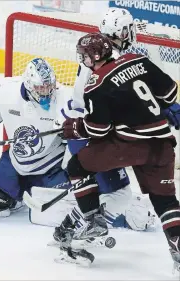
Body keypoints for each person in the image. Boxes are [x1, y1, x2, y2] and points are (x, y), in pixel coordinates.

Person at [60, 32, 180, 268]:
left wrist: (76, 127)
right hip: (163, 145)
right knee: (165, 200)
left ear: (95, 56)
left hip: (129, 146)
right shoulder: (138, 59)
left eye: (85, 56)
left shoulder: (96, 83)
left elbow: (99, 129)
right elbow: (169, 93)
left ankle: (93, 220)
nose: (83, 61)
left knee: (76, 166)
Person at [53, 7, 154, 240]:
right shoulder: (117, 61)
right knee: (119, 196)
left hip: (80, 131)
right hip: (93, 135)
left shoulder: (93, 51)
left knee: (107, 194)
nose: (131, 33)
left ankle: (69, 231)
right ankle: (78, 234)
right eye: (128, 30)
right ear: (121, 32)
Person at [0, 58, 71, 220]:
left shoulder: (64, 99)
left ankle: (27, 189)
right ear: (28, 85)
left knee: (59, 208)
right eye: (40, 88)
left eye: (49, 87)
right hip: (16, 160)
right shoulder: (5, 91)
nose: (46, 92)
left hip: (51, 165)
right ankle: (14, 190)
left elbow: (80, 136)